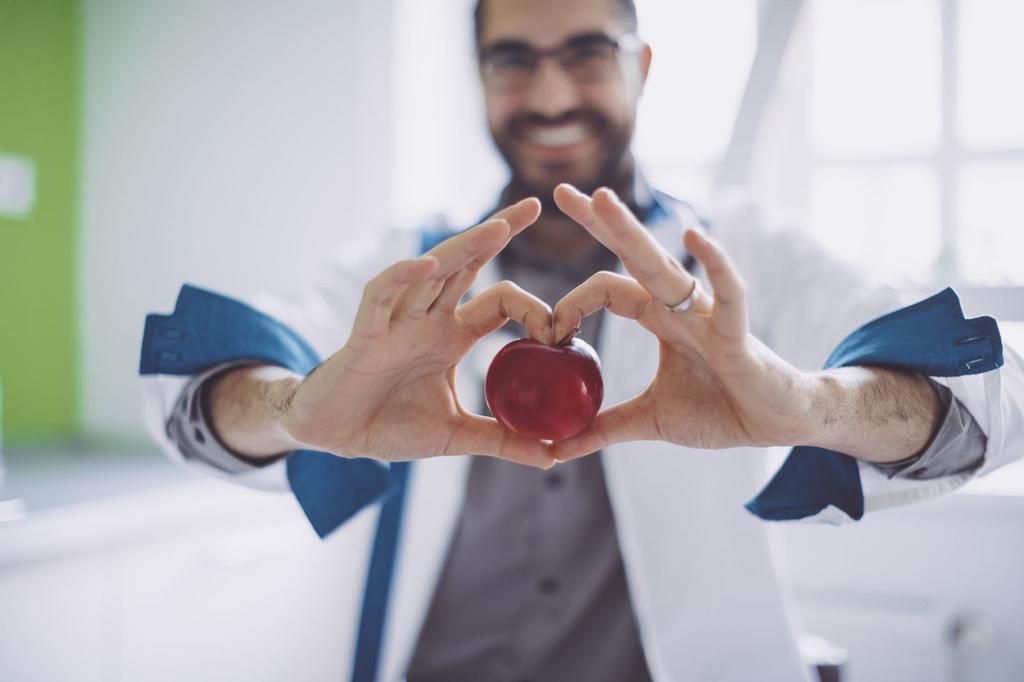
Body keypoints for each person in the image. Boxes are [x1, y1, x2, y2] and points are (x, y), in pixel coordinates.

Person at [140, 0, 1024, 680]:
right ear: (480, 79)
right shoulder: (401, 274)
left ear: (640, 65)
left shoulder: (741, 262)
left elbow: (998, 395)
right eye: (514, 61)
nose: (552, 96)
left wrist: (810, 403)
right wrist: (294, 409)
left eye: (586, 55)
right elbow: (192, 380)